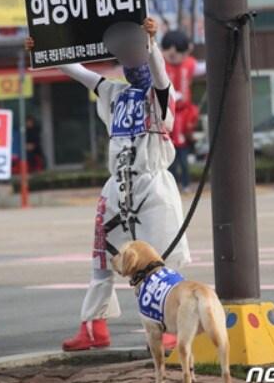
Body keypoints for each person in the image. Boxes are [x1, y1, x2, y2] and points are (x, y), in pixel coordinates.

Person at [25, 18, 190, 351]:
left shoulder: (161, 97)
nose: (133, 65)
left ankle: (169, 325)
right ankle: (93, 326)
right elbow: (80, 72)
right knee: (102, 261)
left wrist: (152, 43)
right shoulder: (113, 92)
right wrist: (45, 52)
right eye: (127, 59)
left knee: (165, 258)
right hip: (117, 188)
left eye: (138, 58)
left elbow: (160, 76)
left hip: (153, 187)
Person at [161, 29, 199, 193]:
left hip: (182, 116)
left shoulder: (189, 64)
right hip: (164, 114)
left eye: (178, 51)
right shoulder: (160, 63)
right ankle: (171, 184)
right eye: (170, 51)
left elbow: (204, 68)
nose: (174, 55)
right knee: (167, 157)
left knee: (182, 156)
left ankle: (185, 183)